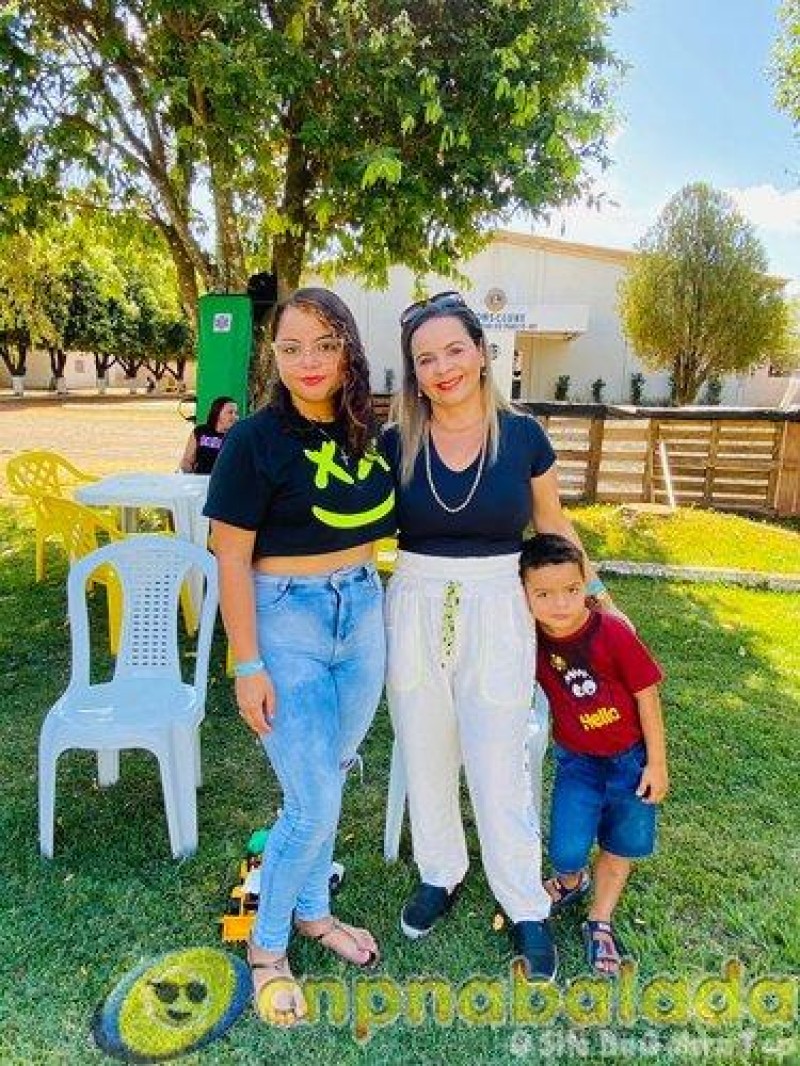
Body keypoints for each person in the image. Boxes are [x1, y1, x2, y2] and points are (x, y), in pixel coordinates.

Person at [381, 290, 617, 981]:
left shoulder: (522, 436)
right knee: (424, 745)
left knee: (500, 757)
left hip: (499, 603)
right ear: (414, 371)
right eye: (426, 358)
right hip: (415, 601)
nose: (442, 368)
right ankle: (441, 870)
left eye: (455, 350)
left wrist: (598, 600)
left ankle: (523, 902)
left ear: (482, 354)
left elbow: (553, 525)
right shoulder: (394, 441)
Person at [203, 287, 396, 1026]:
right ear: (272, 356)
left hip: (363, 610)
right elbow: (230, 557)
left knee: (332, 776)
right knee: (310, 801)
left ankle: (314, 912)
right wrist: (247, 664)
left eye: (323, 344)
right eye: (291, 348)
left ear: (348, 349)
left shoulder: (367, 430)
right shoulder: (253, 440)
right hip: (287, 622)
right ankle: (267, 948)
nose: (308, 361)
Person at [520, 533, 668, 977]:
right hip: (578, 764)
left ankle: (599, 919)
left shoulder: (613, 632)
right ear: (524, 594)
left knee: (621, 845)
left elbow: (647, 695)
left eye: (570, 589)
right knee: (566, 849)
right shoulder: (529, 640)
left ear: (585, 581)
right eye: (543, 594)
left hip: (630, 762)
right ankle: (571, 880)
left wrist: (656, 763)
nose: (560, 604)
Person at [179, 395, 238, 474]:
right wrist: (187, 471)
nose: (235, 417)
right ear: (217, 413)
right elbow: (187, 460)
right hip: (201, 478)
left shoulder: (237, 436)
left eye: (236, 413)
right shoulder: (200, 431)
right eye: (230, 412)